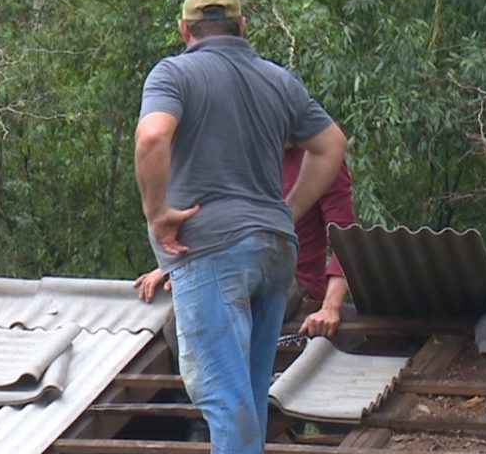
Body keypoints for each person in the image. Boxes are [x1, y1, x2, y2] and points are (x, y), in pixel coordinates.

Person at [134, 0, 347, 454]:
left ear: (185, 31)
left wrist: (158, 214)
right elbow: (331, 144)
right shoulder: (279, 80)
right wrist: (288, 210)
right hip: (274, 250)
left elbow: (153, 135)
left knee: (217, 382)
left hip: (211, 249)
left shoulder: (174, 74)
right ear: (243, 26)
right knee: (249, 386)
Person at [135, 145, 357, 338]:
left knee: (208, 316)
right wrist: (176, 266)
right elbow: (216, 222)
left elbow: (346, 241)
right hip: (237, 265)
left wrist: (330, 307)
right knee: (179, 322)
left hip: (294, 280)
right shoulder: (245, 155)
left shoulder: (321, 156)